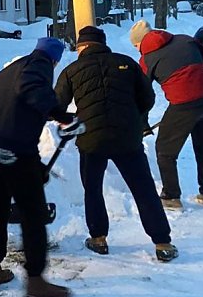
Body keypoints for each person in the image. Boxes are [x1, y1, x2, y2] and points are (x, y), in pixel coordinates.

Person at [55, 26, 178, 262]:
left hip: (91, 139)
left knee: (93, 189)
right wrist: (134, 118)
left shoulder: (72, 70)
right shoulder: (127, 63)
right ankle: (163, 242)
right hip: (127, 137)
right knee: (143, 189)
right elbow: (148, 98)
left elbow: (57, 104)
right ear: (103, 43)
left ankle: (98, 239)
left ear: (82, 46)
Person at [0, 37, 79, 297]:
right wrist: (62, 115)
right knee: (33, 212)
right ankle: (36, 282)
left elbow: (18, 100)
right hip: (12, 145)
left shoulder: (12, 68)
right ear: (54, 59)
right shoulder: (38, 65)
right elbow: (30, 88)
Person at [129, 20, 203, 209]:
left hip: (182, 105)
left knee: (165, 151)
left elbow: (142, 94)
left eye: (136, 45)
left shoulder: (147, 59)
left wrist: (143, 126)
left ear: (140, 42)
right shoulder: (186, 40)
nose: (137, 49)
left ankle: (171, 196)